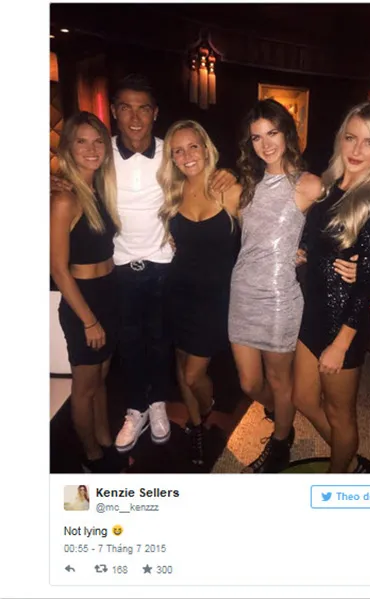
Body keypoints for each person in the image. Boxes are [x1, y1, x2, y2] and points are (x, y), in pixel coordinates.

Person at [52, 75, 235, 459]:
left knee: (161, 341)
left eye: (143, 108)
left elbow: (203, 172)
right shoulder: (102, 154)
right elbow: (73, 180)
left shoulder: (171, 153)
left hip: (165, 264)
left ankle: (158, 404)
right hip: (119, 267)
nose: (135, 118)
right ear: (114, 112)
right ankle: (136, 408)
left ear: (155, 113)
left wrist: (228, 173)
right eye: (126, 108)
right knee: (130, 344)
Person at [228, 99, 357, 472]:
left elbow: (344, 222)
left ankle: (280, 442)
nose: (265, 144)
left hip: (280, 296)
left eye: (272, 133)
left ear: (287, 133)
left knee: (279, 380)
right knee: (249, 383)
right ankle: (281, 413)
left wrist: (330, 255)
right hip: (242, 292)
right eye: (256, 137)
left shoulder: (308, 184)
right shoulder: (246, 185)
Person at [293, 100, 370, 473]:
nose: (356, 150)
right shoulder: (328, 188)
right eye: (351, 138)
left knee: (342, 416)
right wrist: (305, 252)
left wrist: (341, 345)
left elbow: (365, 285)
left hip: (344, 323)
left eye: (369, 142)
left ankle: (339, 476)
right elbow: (317, 238)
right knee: (303, 398)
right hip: (312, 314)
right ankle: (350, 458)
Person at [158, 120, 241, 464]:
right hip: (178, 291)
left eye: (193, 146)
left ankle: (206, 408)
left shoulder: (230, 190)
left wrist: (301, 249)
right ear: (172, 158)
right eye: (178, 150)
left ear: (206, 148)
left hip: (215, 299)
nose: (187, 155)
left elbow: (269, 226)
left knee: (194, 375)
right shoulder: (170, 192)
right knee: (181, 364)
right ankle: (195, 426)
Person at [50, 112, 122, 473]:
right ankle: (91, 456)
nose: (92, 149)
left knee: (101, 378)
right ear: (68, 148)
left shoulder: (99, 190)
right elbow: (58, 269)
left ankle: (105, 439)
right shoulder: (64, 199)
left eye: (98, 141)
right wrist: (89, 321)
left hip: (108, 292)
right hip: (83, 301)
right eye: (81, 141)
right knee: (84, 386)